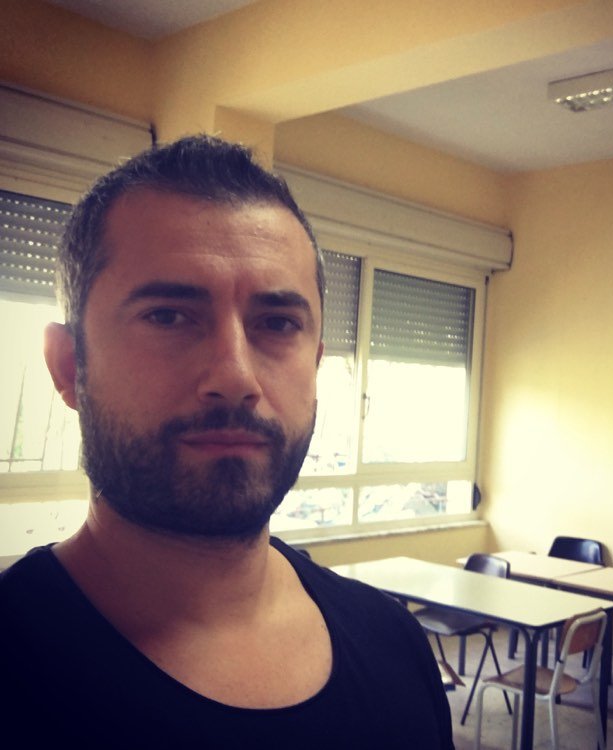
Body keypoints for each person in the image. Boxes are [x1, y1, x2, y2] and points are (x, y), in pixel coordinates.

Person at [0, 135, 455, 749]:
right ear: (67, 365)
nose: (236, 377)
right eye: (169, 315)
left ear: (315, 365)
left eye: (278, 323)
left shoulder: (394, 643)